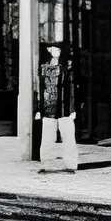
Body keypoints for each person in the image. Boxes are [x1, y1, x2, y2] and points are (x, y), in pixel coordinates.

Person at [34, 40, 77, 172]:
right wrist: (38, 109)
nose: (57, 51)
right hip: (48, 108)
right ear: (49, 50)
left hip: (64, 107)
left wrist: (73, 109)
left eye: (58, 49)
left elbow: (71, 87)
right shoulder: (43, 68)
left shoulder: (67, 66)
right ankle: (46, 164)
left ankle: (71, 164)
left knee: (68, 137)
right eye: (54, 49)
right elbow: (40, 89)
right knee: (47, 138)